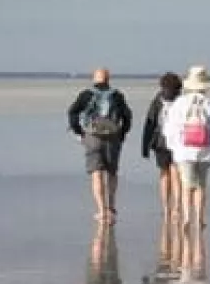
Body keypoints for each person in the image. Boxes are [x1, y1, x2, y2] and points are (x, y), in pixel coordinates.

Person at [162, 66, 210, 234]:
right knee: (200, 185)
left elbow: (170, 128)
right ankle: (199, 218)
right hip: (204, 150)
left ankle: (187, 217)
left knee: (186, 185)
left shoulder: (180, 103)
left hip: (184, 151)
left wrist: (174, 147)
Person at [67, 68, 134, 225]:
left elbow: (72, 112)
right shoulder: (117, 95)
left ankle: (101, 211)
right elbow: (127, 116)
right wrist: (122, 133)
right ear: (108, 79)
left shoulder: (86, 94)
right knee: (111, 172)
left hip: (93, 137)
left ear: (94, 79)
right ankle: (111, 207)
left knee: (96, 173)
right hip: (113, 137)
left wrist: (79, 132)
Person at [139, 72, 183, 222]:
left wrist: (144, 146)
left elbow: (149, 123)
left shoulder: (158, 99)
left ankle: (166, 208)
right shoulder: (181, 100)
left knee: (164, 174)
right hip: (178, 141)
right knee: (176, 173)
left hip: (161, 142)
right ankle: (177, 208)